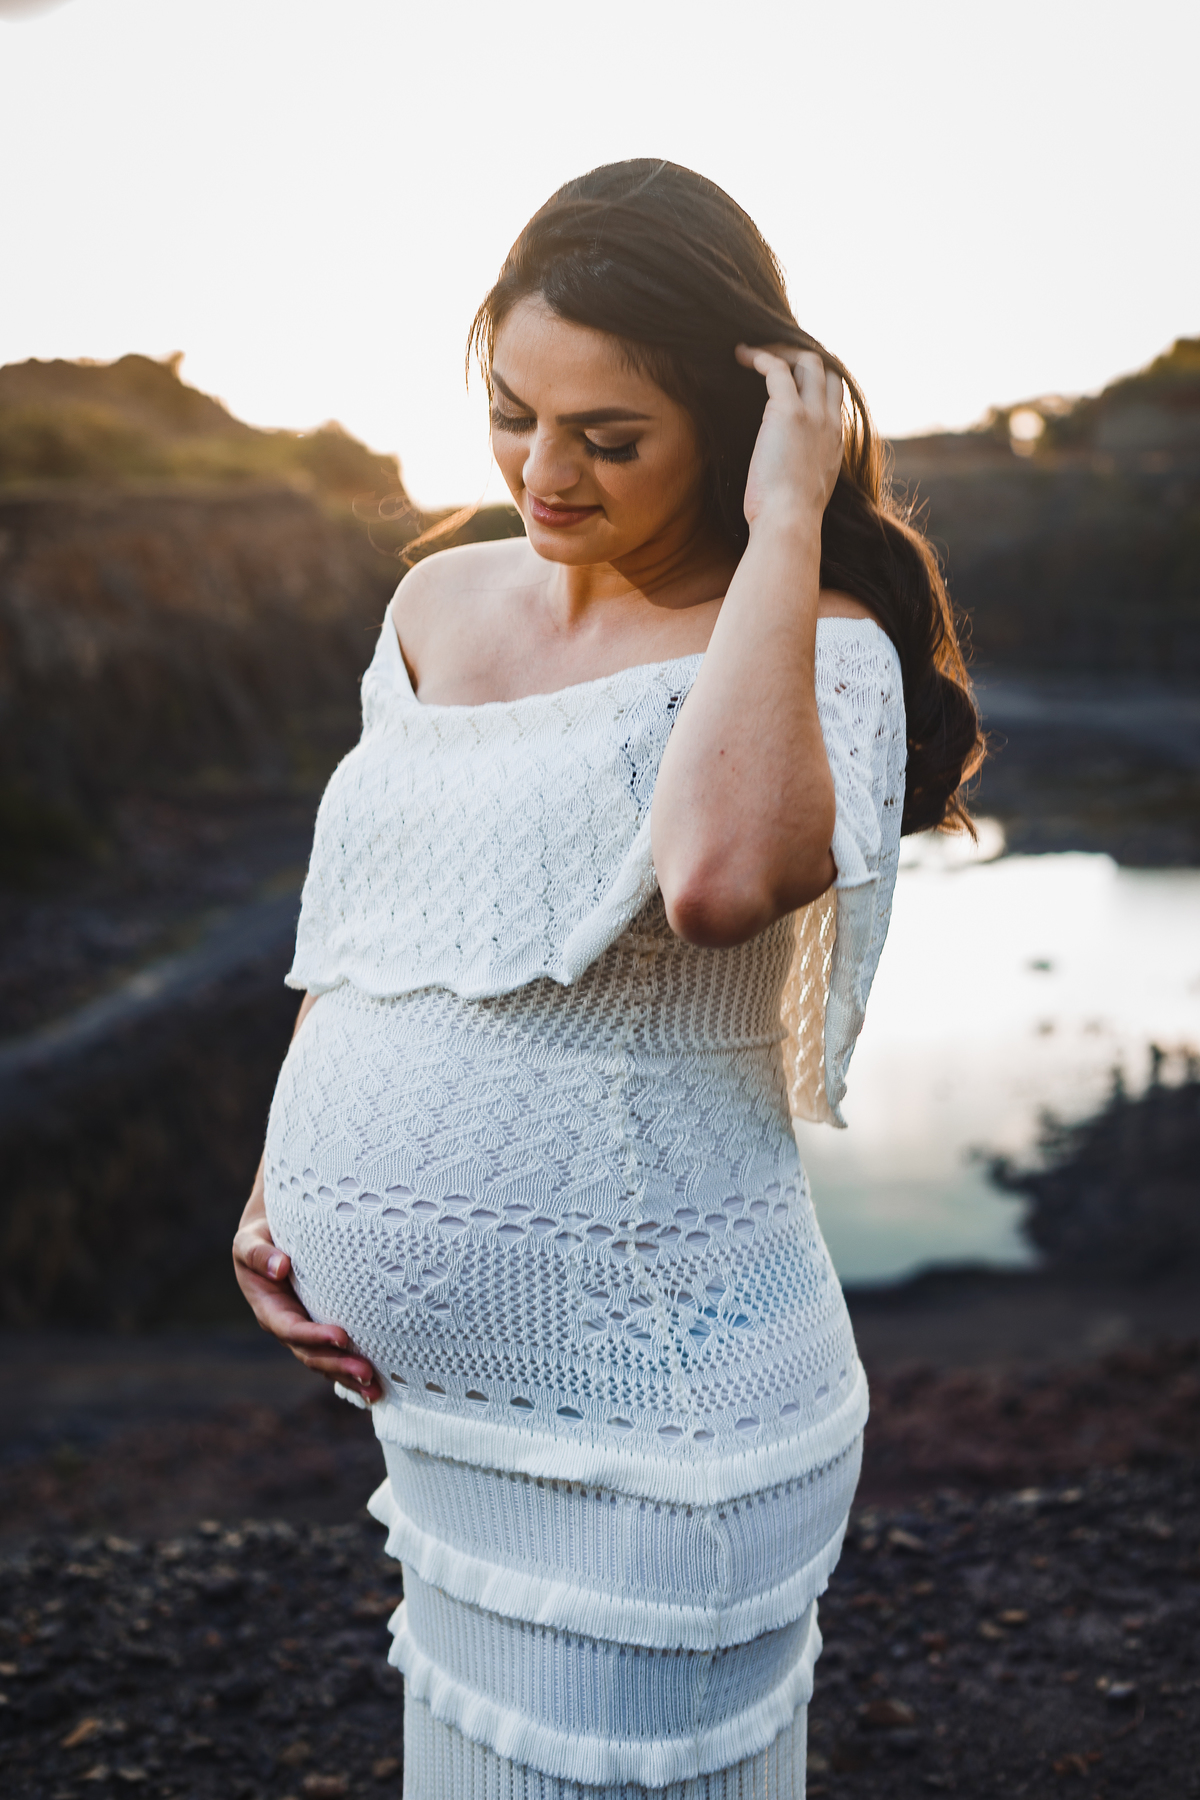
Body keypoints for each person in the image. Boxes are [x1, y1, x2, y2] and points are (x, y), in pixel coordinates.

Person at [233, 159, 982, 1799]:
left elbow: (718, 884)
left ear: (737, 420)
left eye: (610, 436)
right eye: (512, 412)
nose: (542, 471)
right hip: (440, 1427)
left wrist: (789, 525)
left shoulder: (815, 644)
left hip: (661, 1428)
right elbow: (363, 920)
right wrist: (277, 1183)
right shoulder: (436, 597)